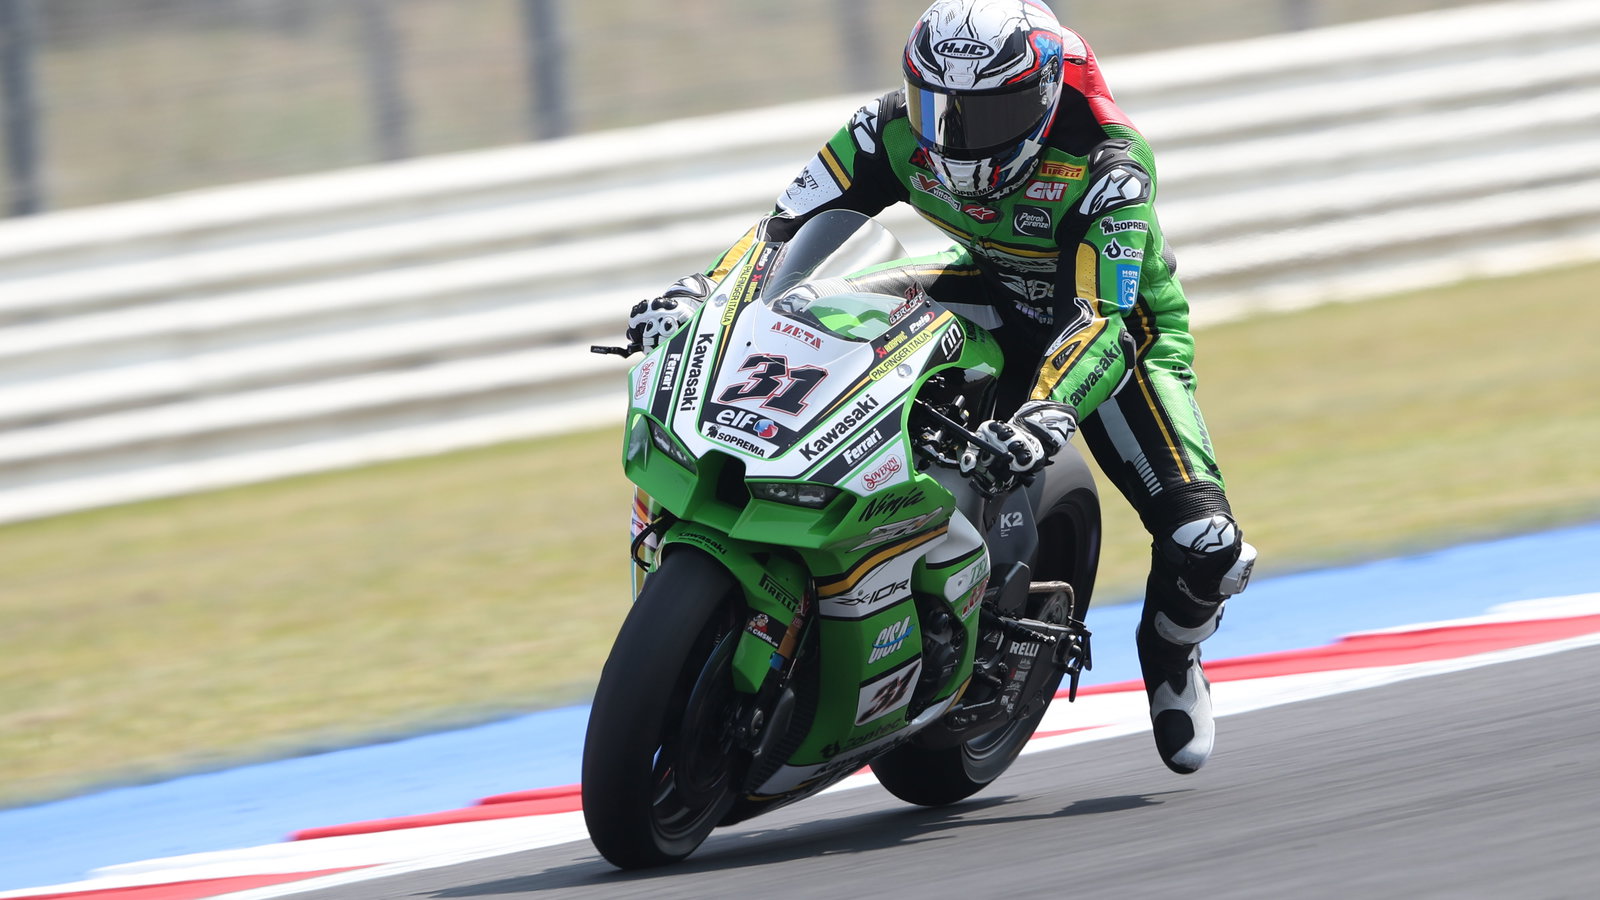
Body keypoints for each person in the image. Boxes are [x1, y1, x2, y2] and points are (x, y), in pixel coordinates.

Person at [624, 0, 1255, 775]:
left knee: (1207, 546)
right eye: (939, 107)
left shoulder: (1108, 166)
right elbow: (782, 232)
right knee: (810, 310)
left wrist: (1045, 416)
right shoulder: (882, 129)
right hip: (984, 290)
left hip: (1116, 338)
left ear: (1044, 96)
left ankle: (1172, 653)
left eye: (992, 112)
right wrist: (701, 293)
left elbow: (1099, 319)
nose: (957, 135)